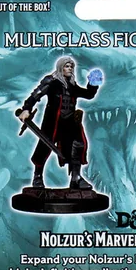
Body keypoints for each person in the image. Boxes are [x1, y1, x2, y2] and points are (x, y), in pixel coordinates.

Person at [18, 57, 100, 189]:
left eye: (71, 66)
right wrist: (27, 109)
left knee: (78, 145)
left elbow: (88, 94)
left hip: (70, 122)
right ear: (61, 67)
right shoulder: (51, 81)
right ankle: (37, 176)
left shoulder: (72, 85)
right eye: (67, 66)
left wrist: (93, 84)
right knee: (44, 147)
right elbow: (36, 94)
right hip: (53, 122)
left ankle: (76, 178)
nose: (70, 69)